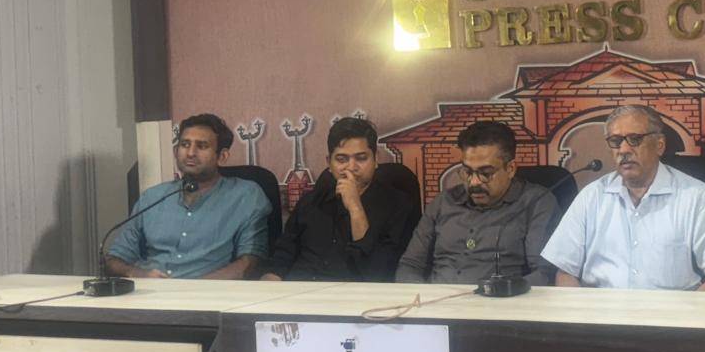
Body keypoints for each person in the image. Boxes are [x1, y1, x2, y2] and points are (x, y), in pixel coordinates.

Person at [541, 105, 705, 290]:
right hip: (600, 312)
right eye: (616, 141)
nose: (624, 150)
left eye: (635, 139)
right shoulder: (591, 197)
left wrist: (682, 315)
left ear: (659, 145)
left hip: (674, 314)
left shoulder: (696, 197)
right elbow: (565, 272)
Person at [106, 113, 270, 279]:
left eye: (202, 146)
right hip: (150, 290)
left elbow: (248, 263)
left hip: (208, 291)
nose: (191, 153)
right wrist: (139, 274)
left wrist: (196, 288)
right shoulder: (152, 197)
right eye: (185, 144)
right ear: (175, 151)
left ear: (222, 156)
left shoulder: (246, 195)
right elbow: (114, 259)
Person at [396, 121, 557, 284]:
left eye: (485, 173)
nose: (474, 182)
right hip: (436, 297)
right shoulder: (444, 202)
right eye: (467, 172)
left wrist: (508, 290)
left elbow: (544, 273)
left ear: (510, 169)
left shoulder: (536, 203)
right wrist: (420, 296)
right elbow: (410, 266)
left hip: (501, 297)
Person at [262, 117, 419, 282]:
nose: (351, 167)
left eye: (361, 158)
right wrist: (270, 281)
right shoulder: (311, 201)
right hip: (297, 290)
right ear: (329, 163)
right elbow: (282, 256)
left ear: (375, 159)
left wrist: (355, 207)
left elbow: (377, 272)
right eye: (342, 159)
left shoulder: (398, 206)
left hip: (351, 294)